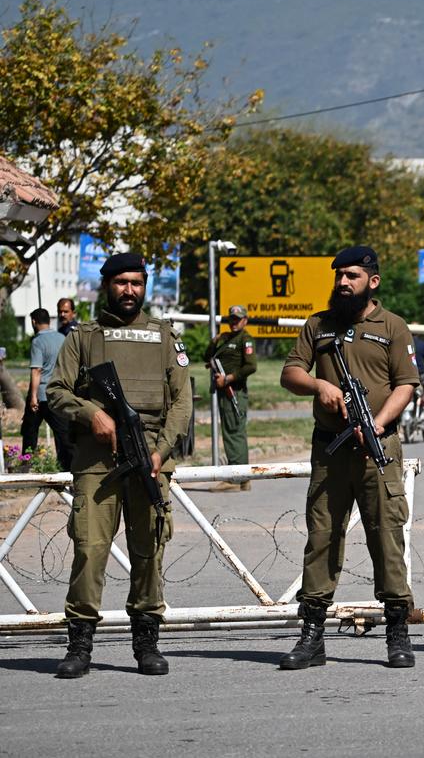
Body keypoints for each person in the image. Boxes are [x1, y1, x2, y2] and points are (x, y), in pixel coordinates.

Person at [46, 253, 193, 678]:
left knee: (149, 551)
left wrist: (161, 452)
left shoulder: (165, 336)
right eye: (121, 282)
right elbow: (56, 390)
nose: (129, 290)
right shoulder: (84, 337)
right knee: (90, 551)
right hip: (97, 462)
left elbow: (182, 400)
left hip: (149, 460)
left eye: (137, 282)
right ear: (106, 285)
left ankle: (147, 642)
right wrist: (91, 414)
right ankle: (80, 644)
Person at [278, 246, 420, 669]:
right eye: (339, 275)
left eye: (352, 276)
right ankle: (312, 635)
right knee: (322, 537)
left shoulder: (393, 327)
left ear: (372, 282)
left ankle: (397, 632)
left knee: (386, 536)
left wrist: (377, 424)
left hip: (378, 448)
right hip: (330, 448)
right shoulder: (318, 325)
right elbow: (290, 373)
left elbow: (405, 385)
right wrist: (319, 387)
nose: (343, 282)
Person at [203, 304, 258, 487]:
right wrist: (214, 341)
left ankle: (236, 477)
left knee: (234, 432)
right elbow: (206, 357)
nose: (234, 322)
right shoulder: (226, 338)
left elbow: (251, 366)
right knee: (231, 431)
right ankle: (242, 478)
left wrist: (227, 379)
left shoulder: (245, 339)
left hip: (234, 391)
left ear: (245, 320)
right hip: (224, 392)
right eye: (231, 319)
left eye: (238, 319)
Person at [21, 308, 73, 471]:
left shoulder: (37, 341)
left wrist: (33, 397)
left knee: (29, 431)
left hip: (42, 394)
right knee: (63, 435)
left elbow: (36, 370)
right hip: (58, 393)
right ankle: (70, 468)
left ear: (34, 322)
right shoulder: (62, 338)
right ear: (49, 321)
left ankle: (26, 467)